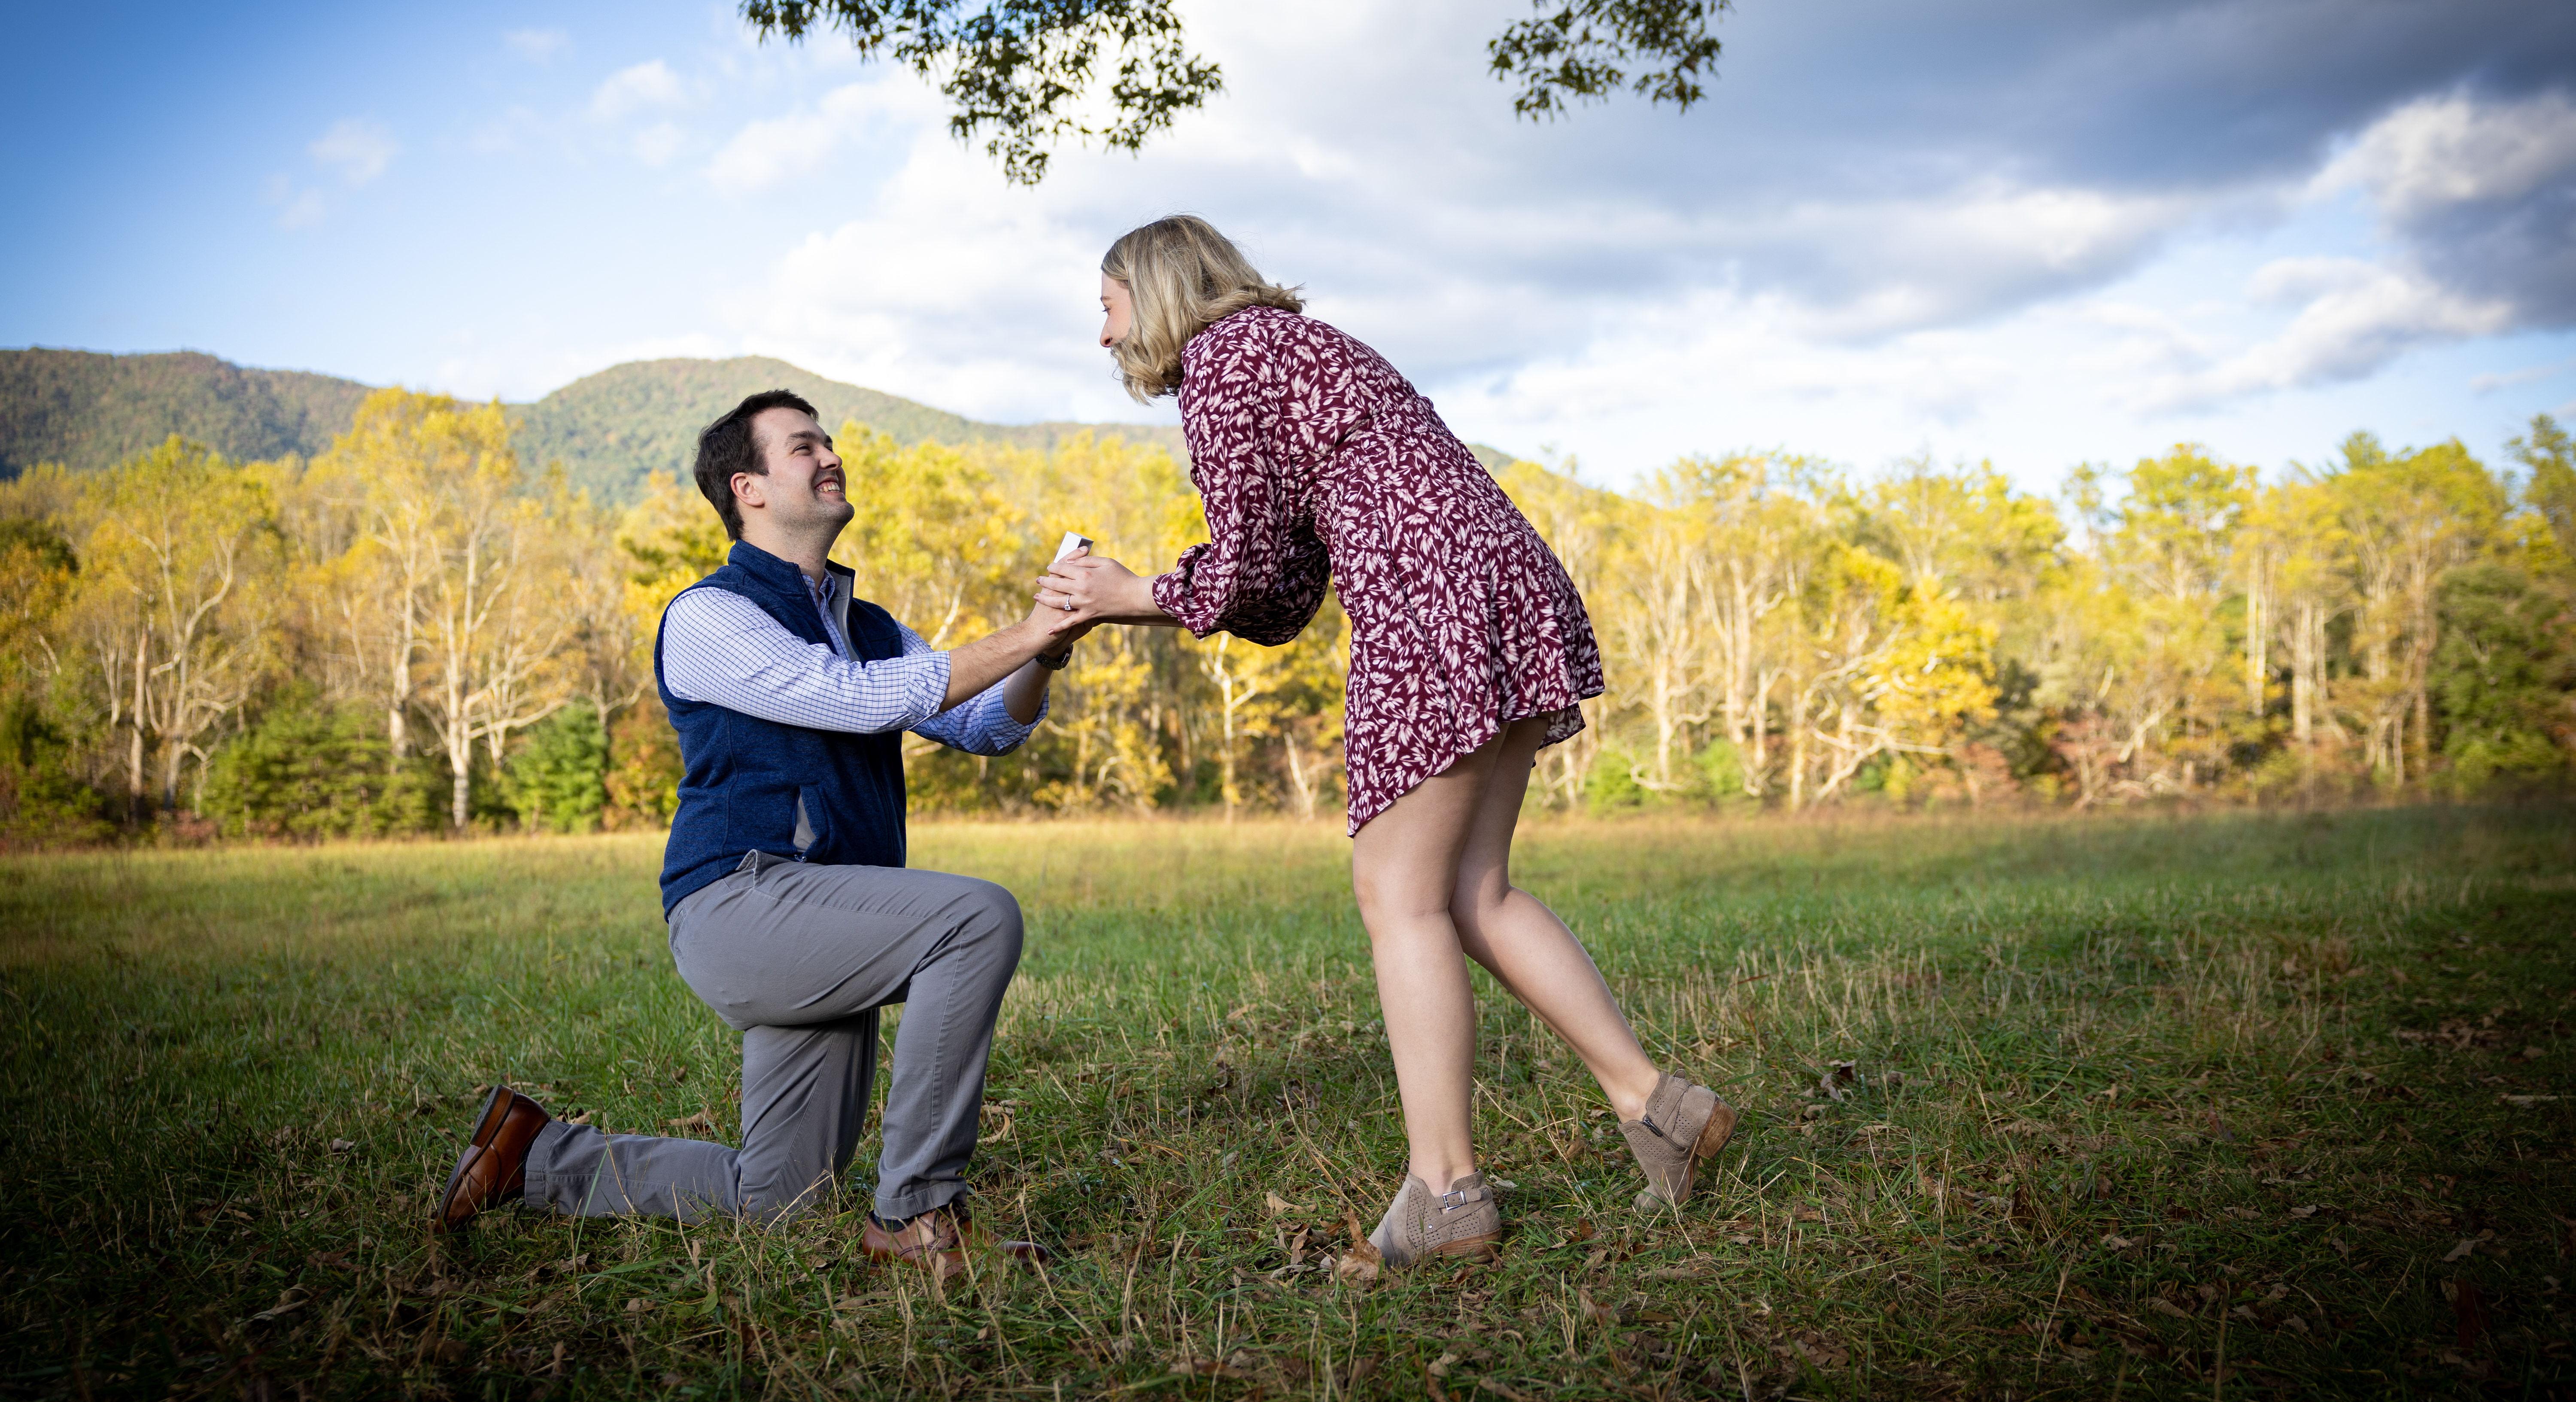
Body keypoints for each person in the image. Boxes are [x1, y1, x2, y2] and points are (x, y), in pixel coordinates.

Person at [1040, 216, 1738, 1271]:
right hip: (1504, 578)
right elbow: (1284, 589)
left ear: (1158, 287)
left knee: (1399, 898)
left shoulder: (1223, 362)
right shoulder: (1301, 345)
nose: (1104, 335)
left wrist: (1130, 592)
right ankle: (1659, 1107)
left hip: (1427, 601)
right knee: (1474, 891)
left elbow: (1244, 570)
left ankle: (1445, 1191)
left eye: (1108, 307)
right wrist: (1153, 596)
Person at [435, 390, 1077, 1278]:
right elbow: (857, 700)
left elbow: (987, 727)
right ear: (751, 488)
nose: (831, 456)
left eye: (829, 442)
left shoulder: (869, 626)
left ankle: (535, 1157)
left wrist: (1045, 651)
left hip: (828, 913)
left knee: (781, 1199)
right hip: (740, 903)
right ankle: (919, 1214)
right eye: (804, 446)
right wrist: (1028, 628)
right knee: (976, 919)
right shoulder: (709, 616)